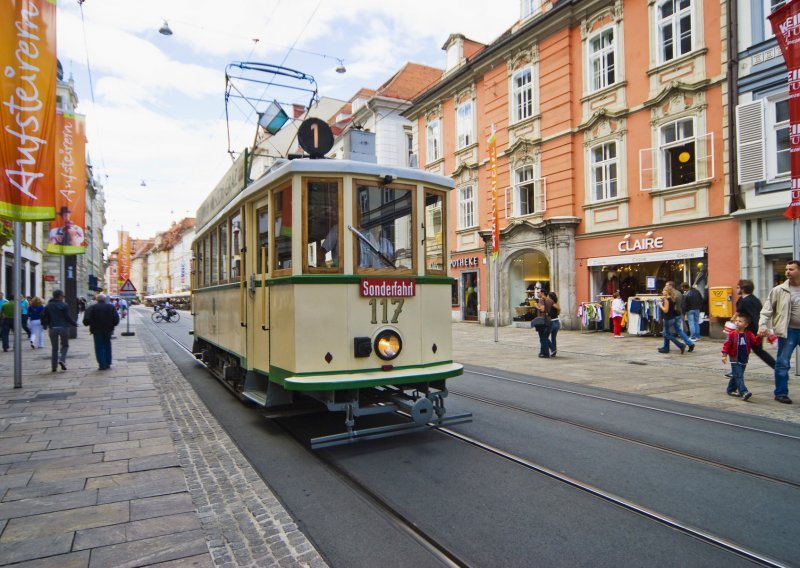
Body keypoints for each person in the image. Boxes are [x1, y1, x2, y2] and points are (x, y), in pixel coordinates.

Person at [758, 259, 800, 404]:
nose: (788, 271)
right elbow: (767, 310)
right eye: (787, 269)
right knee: (783, 362)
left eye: (791, 269)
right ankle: (781, 393)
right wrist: (762, 325)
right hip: (789, 331)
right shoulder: (779, 290)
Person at [735, 279, 775, 372]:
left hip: (751, 331)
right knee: (744, 351)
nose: (737, 289)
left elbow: (755, 316)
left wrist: (759, 330)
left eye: (738, 287)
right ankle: (736, 371)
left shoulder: (748, 301)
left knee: (755, 351)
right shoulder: (747, 299)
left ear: (743, 289)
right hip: (748, 330)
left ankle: (778, 368)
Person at [721, 312, 761, 401]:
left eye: (740, 321)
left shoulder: (749, 334)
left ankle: (730, 389)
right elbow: (727, 344)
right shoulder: (732, 334)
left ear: (746, 324)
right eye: (736, 321)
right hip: (734, 357)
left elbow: (755, 342)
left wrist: (760, 336)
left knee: (737, 374)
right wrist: (724, 355)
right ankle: (744, 392)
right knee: (739, 375)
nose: (737, 323)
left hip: (744, 357)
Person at [43, 289, 78, 372]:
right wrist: (74, 323)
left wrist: (46, 325)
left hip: (53, 328)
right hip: (63, 327)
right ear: (60, 296)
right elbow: (67, 317)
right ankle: (62, 359)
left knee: (54, 348)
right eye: (63, 295)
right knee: (65, 345)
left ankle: (54, 367)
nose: (63, 297)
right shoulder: (64, 305)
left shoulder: (49, 305)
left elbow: (45, 316)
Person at [83, 294, 120, 370]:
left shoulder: (92, 308)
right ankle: (108, 363)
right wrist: (112, 324)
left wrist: (90, 323)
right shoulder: (110, 307)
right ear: (104, 299)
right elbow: (116, 319)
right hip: (108, 330)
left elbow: (86, 320)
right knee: (107, 346)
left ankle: (102, 364)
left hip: (96, 330)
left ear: (97, 300)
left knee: (99, 347)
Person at [657, 286, 695, 354]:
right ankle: (666, 348)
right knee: (668, 333)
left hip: (668, 319)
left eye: (663, 290)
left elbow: (665, 310)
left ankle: (681, 345)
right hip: (673, 318)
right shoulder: (672, 299)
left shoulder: (666, 300)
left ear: (667, 292)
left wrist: (660, 305)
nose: (662, 292)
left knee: (666, 334)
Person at [535, 291, 554, 358]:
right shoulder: (550, 300)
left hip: (542, 320)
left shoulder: (541, 300)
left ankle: (545, 353)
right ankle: (545, 351)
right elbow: (557, 308)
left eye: (538, 292)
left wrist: (537, 306)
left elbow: (542, 309)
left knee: (542, 338)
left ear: (542, 293)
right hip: (549, 319)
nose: (537, 293)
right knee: (545, 337)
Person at [547, 291, 561, 357]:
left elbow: (550, 314)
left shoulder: (551, 304)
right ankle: (553, 352)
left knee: (544, 337)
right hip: (557, 322)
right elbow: (558, 310)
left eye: (548, 296)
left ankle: (553, 349)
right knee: (553, 338)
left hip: (552, 322)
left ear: (550, 297)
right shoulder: (555, 304)